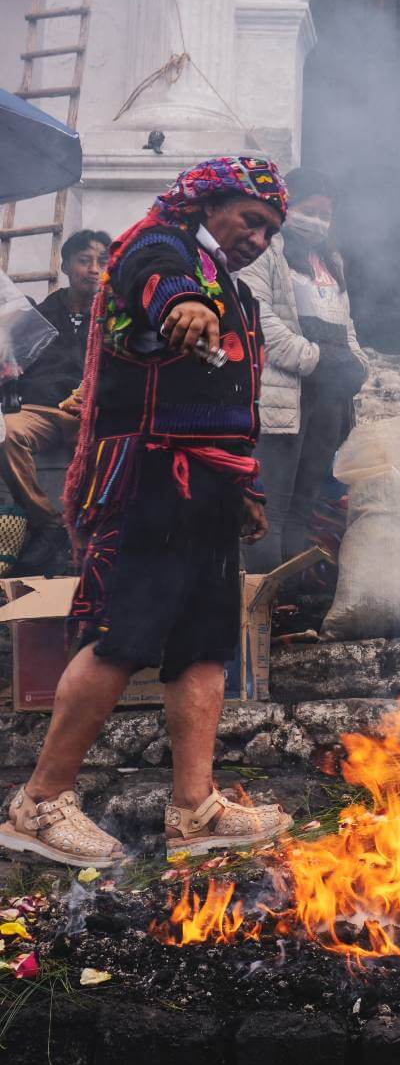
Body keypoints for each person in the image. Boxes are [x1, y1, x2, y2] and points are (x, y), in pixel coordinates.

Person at [0, 157, 295, 868]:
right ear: (208, 204)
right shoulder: (158, 246)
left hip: (211, 487)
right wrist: (184, 307)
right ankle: (40, 804)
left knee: (202, 642)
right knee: (122, 635)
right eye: (249, 220)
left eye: (270, 231)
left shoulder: (236, 293)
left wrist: (246, 486)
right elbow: (163, 287)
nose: (257, 238)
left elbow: (233, 403)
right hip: (149, 479)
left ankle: (194, 809)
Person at [244, 167, 368, 571]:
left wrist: (357, 365)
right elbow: (261, 321)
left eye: (325, 215)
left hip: (327, 401)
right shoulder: (263, 252)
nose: (317, 222)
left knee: (304, 508)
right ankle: (264, 611)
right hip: (285, 396)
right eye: (308, 210)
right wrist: (315, 359)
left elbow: (346, 326)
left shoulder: (331, 263)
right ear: (285, 206)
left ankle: (292, 605)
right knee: (272, 511)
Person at [0, 229, 110, 573]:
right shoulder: (39, 315)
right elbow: (11, 361)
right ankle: (47, 522)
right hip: (41, 411)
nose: (94, 269)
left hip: (91, 414)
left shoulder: (114, 318)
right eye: (84, 260)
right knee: (8, 431)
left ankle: (98, 537)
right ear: (65, 266)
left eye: (102, 262)